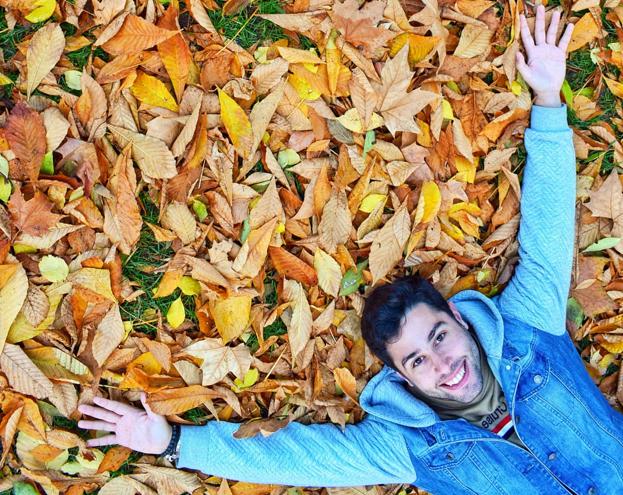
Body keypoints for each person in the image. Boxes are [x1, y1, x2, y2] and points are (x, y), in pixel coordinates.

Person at [77, 5, 623, 494]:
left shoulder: (529, 325)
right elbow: (297, 458)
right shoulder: (409, 448)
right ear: (402, 378)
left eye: (437, 335)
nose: (443, 365)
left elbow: (547, 232)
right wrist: (172, 442)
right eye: (417, 360)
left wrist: (549, 99)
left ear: (457, 316)